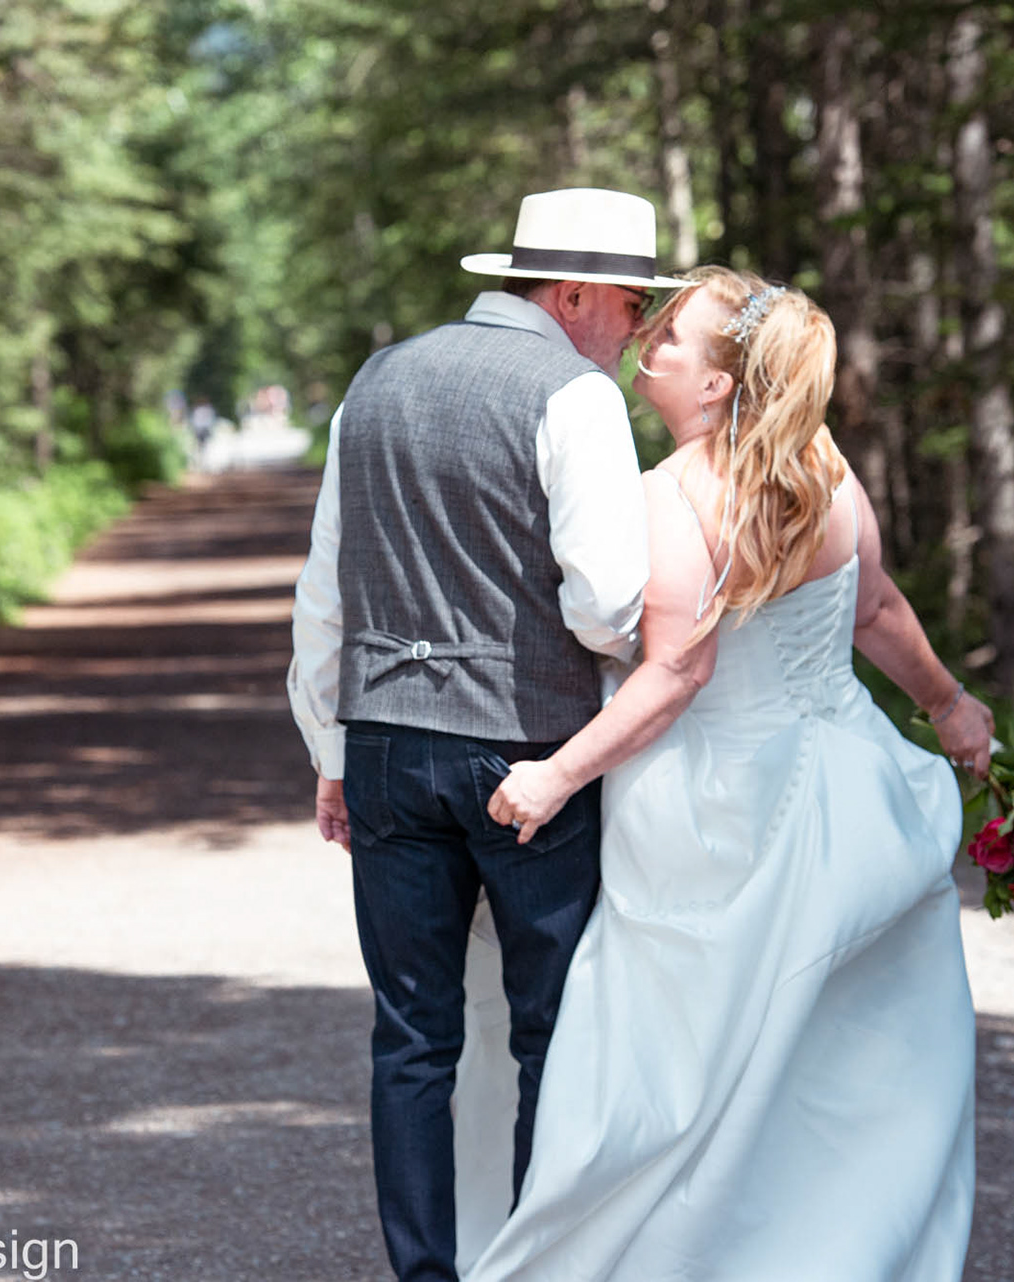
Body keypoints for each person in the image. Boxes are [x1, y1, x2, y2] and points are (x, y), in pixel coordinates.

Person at [455, 265, 994, 1280]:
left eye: (672, 338)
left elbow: (675, 675)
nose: (648, 340)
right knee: (825, 1056)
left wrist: (554, 776)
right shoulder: (826, 471)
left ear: (715, 387)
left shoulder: (675, 494)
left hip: (712, 809)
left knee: (680, 1063)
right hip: (845, 789)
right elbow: (877, 611)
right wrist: (947, 704)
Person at [286, 187, 687, 1282]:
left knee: (411, 1040)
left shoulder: (373, 382)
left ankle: (427, 1273)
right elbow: (606, 600)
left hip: (380, 745)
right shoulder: (574, 395)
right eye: (629, 308)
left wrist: (331, 751)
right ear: (572, 293)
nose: (635, 335)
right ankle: (535, 1263)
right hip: (526, 752)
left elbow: (326, 586)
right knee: (548, 1028)